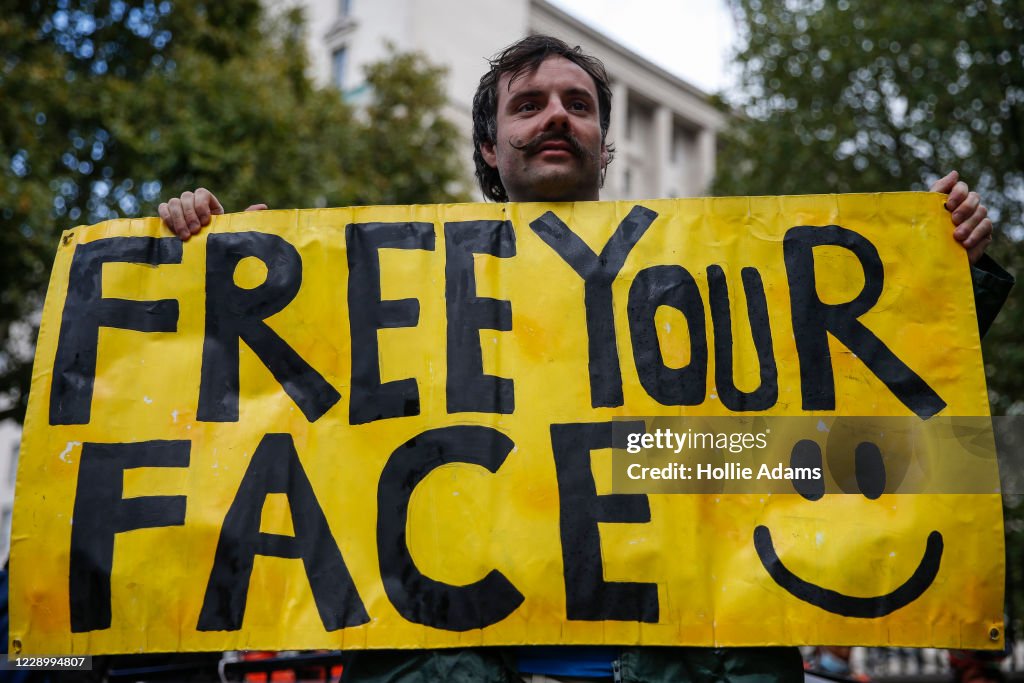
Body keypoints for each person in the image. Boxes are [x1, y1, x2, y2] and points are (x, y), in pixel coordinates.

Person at [158, 34, 1012, 683]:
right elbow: (263, 411)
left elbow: (844, 395)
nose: (557, 114)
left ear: (605, 145)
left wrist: (941, 271)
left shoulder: (700, 286)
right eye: (528, 104)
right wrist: (213, 269)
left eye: (578, 102)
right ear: (491, 149)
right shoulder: (403, 297)